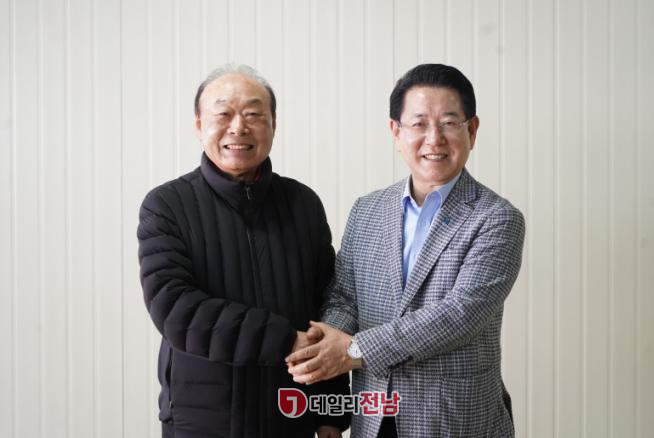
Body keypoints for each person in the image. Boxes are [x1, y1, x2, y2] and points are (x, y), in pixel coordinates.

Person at [287, 63, 525, 437]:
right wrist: (325, 340)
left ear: (472, 130)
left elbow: (459, 315)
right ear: (396, 132)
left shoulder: (497, 218)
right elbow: (344, 297)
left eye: (449, 123)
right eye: (418, 124)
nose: (434, 139)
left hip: (453, 420)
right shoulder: (367, 210)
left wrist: (351, 350)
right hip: (373, 416)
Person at [137, 64, 350, 438]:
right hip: (201, 422)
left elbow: (328, 307)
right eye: (223, 114)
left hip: (291, 417)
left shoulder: (302, 203)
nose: (238, 127)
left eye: (253, 114)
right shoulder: (167, 205)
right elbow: (175, 310)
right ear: (199, 125)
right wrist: (285, 339)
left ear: (273, 125)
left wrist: (331, 410)